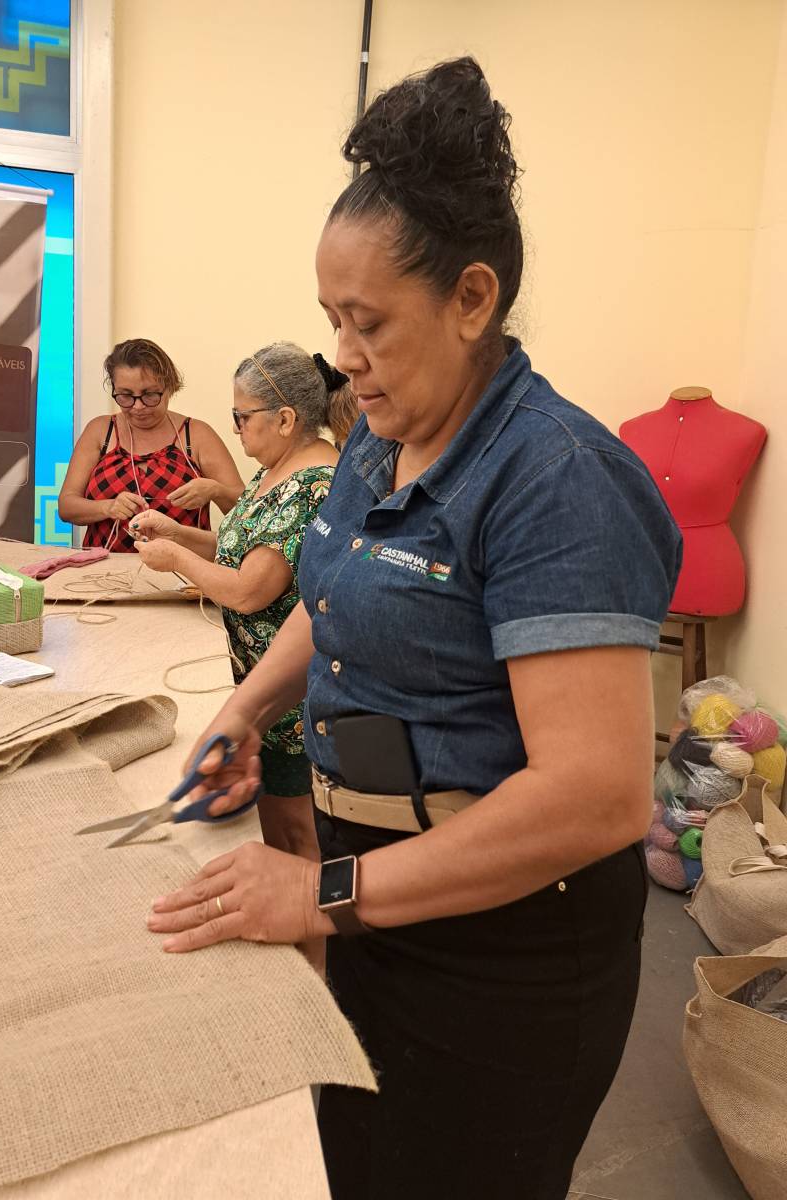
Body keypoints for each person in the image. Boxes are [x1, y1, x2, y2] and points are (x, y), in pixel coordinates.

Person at [144, 59, 682, 1200]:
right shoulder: (382, 440)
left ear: (472, 299)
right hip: (372, 881)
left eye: (368, 322)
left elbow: (595, 794)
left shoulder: (557, 481)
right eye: (331, 319)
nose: (342, 353)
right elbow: (329, 600)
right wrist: (248, 708)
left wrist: (322, 896)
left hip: (506, 942)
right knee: (357, 1163)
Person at [129, 342, 356, 853]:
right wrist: (178, 533)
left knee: (297, 834)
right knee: (274, 825)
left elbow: (251, 590)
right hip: (262, 688)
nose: (235, 427)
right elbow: (243, 553)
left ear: (285, 418)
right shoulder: (275, 467)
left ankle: (306, 924)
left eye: (241, 416)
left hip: (291, 698)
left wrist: (175, 560)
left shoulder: (312, 484)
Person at [58, 338, 244, 552]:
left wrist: (215, 490)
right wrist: (108, 507)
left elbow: (246, 514)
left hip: (182, 576)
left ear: (170, 387)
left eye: (149, 395)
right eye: (126, 396)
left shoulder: (197, 436)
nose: (138, 406)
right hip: (102, 574)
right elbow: (67, 506)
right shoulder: (101, 431)